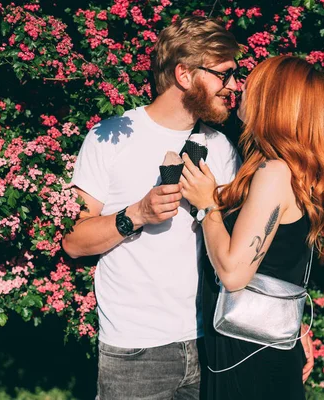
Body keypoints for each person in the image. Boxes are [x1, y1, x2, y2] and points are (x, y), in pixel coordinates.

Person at [62, 16, 242, 399]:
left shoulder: (222, 148)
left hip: (209, 340)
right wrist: (137, 214)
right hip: (136, 350)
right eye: (224, 75)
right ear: (184, 74)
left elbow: (239, 248)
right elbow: (73, 241)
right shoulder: (109, 137)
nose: (234, 86)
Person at [179, 55, 324, 399]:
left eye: (253, 84)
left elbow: (234, 274)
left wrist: (207, 205)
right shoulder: (300, 172)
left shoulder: (275, 173)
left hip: (248, 358)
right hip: (262, 345)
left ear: (274, 100)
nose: (241, 87)